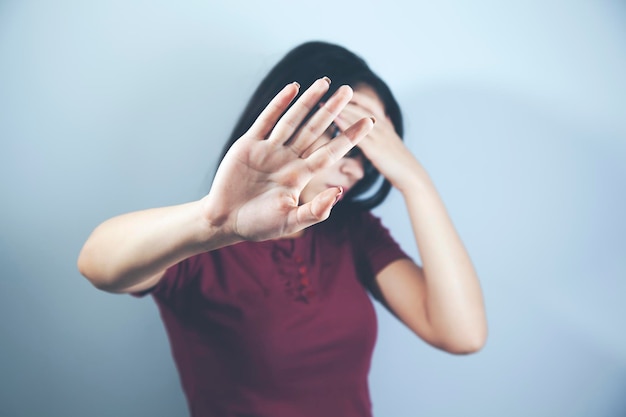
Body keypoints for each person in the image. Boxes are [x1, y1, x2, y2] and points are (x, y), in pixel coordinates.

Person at [78, 41, 487, 417]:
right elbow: (97, 263)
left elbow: (462, 334)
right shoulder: (202, 242)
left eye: (367, 151)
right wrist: (213, 223)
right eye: (337, 137)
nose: (356, 166)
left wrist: (415, 181)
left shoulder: (351, 232)